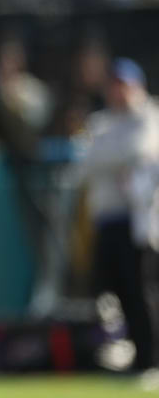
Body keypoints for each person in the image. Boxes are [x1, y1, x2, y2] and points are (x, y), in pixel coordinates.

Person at [80, 57, 159, 372]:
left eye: (124, 85)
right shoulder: (102, 123)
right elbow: (87, 165)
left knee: (142, 291)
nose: (119, 92)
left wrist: (110, 154)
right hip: (107, 221)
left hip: (141, 222)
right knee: (114, 293)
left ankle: (151, 360)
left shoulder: (148, 116)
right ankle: (133, 356)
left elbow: (139, 151)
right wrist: (116, 157)